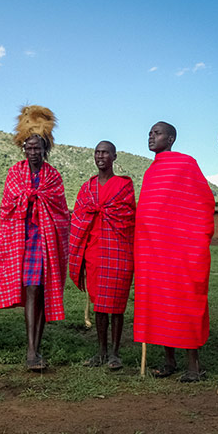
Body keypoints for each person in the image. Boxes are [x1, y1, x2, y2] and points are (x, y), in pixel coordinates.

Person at [133, 121, 215, 382]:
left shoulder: (185, 164)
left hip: (181, 251)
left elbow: (202, 202)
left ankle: (194, 365)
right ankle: (169, 361)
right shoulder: (150, 172)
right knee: (159, 303)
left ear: (170, 139)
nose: (151, 137)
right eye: (149, 133)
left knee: (186, 301)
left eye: (156, 133)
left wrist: (190, 237)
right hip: (154, 252)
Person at [0, 105, 70, 371]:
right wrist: (28, 199)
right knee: (31, 290)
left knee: (41, 292)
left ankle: (36, 346)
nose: (33, 152)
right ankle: (31, 350)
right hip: (21, 239)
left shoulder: (53, 176)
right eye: (29, 148)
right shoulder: (15, 173)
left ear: (45, 148)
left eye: (37, 148)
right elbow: (7, 207)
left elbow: (60, 210)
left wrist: (37, 199)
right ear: (23, 149)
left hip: (45, 240)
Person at [69, 141, 135, 370]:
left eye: (105, 152)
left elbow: (128, 217)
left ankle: (115, 353)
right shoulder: (87, 188)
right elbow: (78, 218)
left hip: (118, 251)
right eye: (97, 152)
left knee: (116, 305)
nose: (100, 156)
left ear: (114, 157)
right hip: (94, 252)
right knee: (99, 304)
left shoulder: (124, 185)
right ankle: (101, 352)